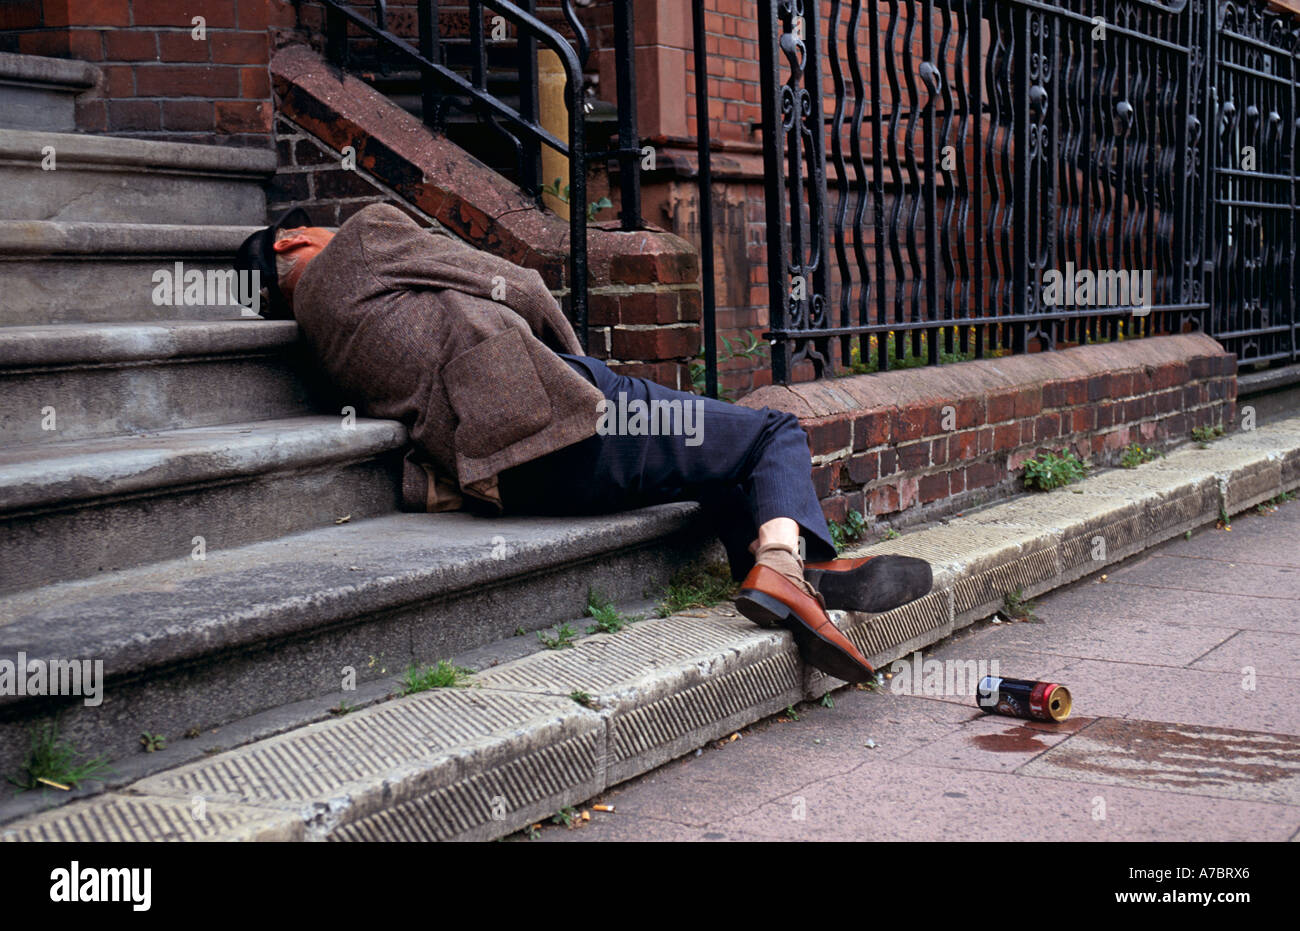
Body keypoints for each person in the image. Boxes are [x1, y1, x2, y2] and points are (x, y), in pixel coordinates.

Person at [236, 204, 932, 683]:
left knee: (714, 465)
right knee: (771, 429)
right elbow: (515, 283)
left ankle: (787, 576)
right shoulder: (359, 238)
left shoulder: (323, 345)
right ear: (289, 241)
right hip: (555, 416)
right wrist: (582, 377)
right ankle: (784, 562)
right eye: (309, 228)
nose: (320, 229)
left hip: (504, 479)